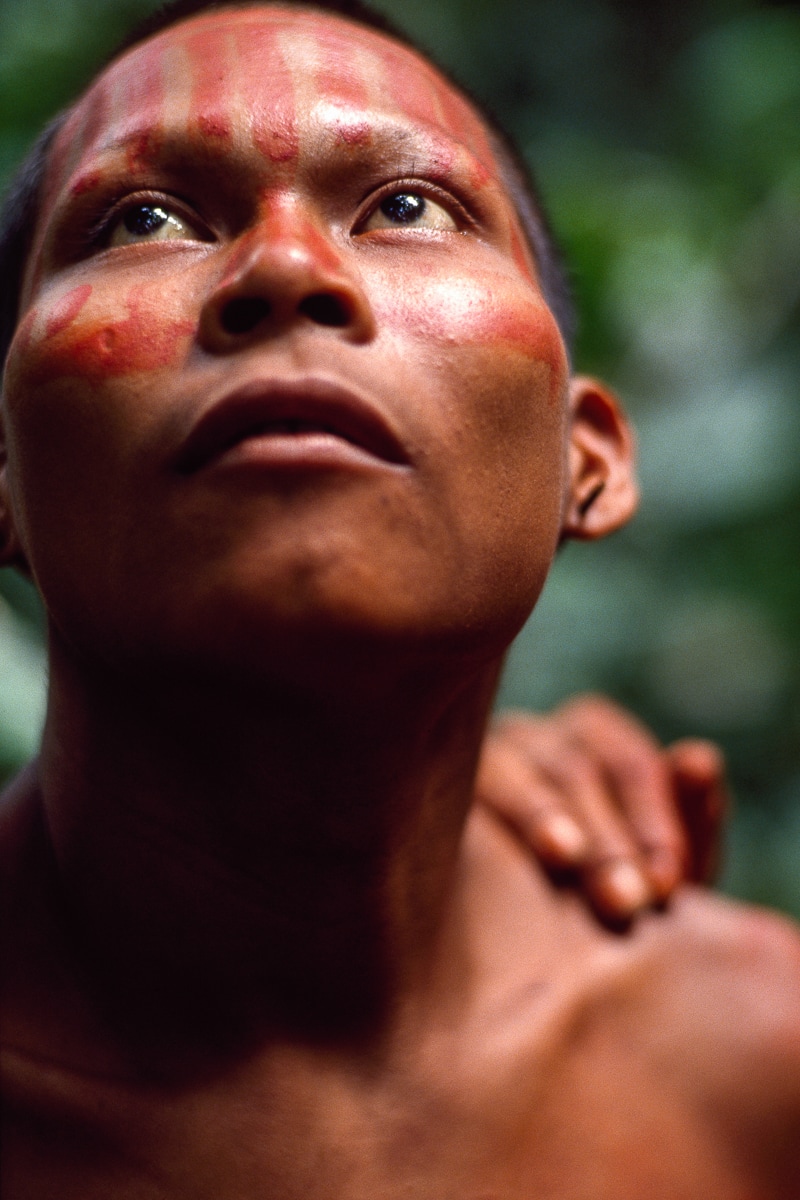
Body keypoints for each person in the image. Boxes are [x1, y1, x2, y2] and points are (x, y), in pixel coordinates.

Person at [1, 2, 797, 1195]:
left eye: (408, 206)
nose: (283, 270)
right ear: (5, 479)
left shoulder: (758, 1069)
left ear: (585, 459)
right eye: (144, 220)